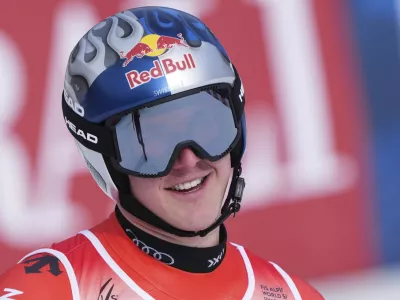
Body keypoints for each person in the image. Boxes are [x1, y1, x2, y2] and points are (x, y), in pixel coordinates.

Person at [0, 6, 324, 300]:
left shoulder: (294, 295)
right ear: (106, 160)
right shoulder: (50, 289)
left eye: (206, 126)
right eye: (151, 142)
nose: (188, 160)